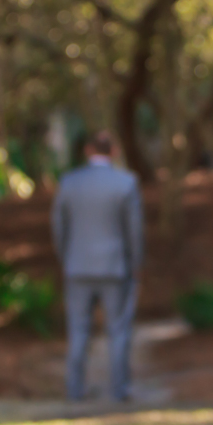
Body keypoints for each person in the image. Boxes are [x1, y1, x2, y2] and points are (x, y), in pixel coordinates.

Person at [52, 131, 143, 402]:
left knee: (78, 329)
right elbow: (134, 231)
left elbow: (59, 226)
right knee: (118, 330)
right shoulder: (126, 183)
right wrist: (136, 264)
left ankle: (75, 390)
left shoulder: (69, 182)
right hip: (115, 268)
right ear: (113, 151)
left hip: (77, 267)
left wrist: (65, 257)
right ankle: (119, 391)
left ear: (88, 150)